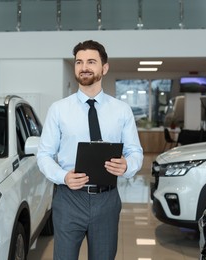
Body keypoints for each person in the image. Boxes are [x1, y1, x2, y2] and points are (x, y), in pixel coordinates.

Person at [37, 40, 143, 260]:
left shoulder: (121, 111)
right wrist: (63, 176)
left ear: (104, 68)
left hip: (107, 200)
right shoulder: (58, 110)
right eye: (79, 62)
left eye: (91, 62)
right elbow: (44, 155)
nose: (84, 67)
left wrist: (127, 165)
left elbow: (135, 152)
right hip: (68, 199)